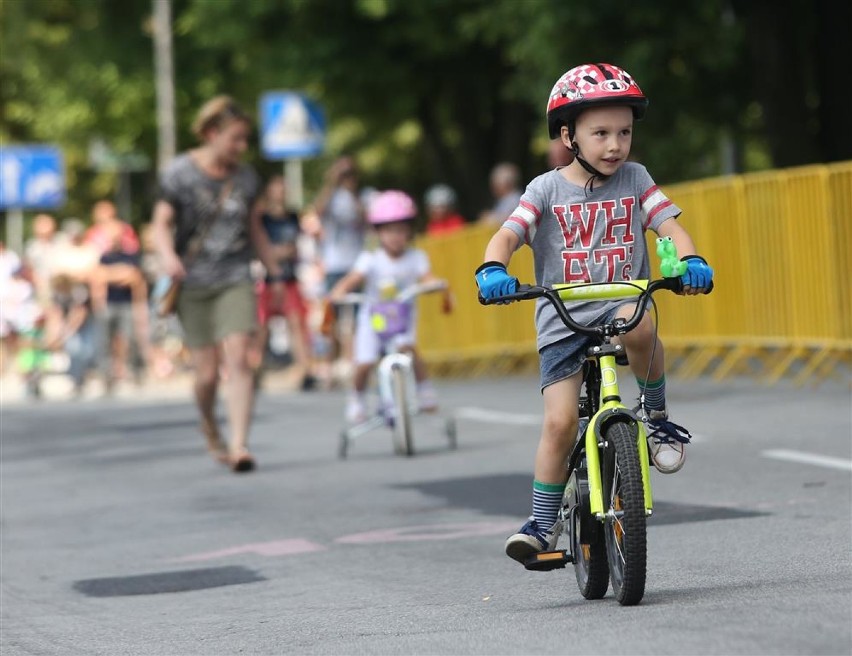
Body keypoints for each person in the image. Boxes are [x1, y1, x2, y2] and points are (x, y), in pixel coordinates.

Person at [474, 63, 714, 564]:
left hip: (622, 299)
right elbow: (509, 234)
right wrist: (493, 267)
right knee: (560, 423)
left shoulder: (636, 178)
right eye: (600, 133)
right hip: (562, 319)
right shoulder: (544, 189)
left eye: (624, 132)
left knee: (642, 319)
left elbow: (668, 225)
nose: (615, 145)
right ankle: (542, 523)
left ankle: (658, 416)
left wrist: (689, 259)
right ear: (568, 135)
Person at [150, 95, 282, 473]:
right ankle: (209, 421)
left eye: (245, 140)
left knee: (240, 358)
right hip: (192, 281)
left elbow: (254, 227)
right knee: (206, 374)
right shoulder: (180, 172)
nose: (242, 147)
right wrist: (167, 256)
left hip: (236, 276)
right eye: (235, 139)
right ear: (211, 133)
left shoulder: (245, 178)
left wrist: (272, 272)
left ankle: (240, 444)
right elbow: (160, 222)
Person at [328, 190, 448, 424]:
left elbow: (427, 277)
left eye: (401, 230)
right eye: (389, 230)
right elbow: (353, 278)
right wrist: (339, 291)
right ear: (378, 232)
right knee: (364, 362)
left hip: (402, 317)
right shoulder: (370, 259)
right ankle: (357, 398)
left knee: (408, 349)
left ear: (409, 231)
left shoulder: (416, 257)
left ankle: (424, 390)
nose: (395, 236)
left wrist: (435, 284)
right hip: (374, 318)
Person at [253, 175, 317, 391]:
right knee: (261, 328)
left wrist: (288, 252)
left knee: (296, 324)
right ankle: (255, 370)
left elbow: (300, 246)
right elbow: (260, 248)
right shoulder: (262, 219)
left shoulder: (292, 217)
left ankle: (305, 370)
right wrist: (275, 254)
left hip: (289, 279)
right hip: (267, 280)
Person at [312, 156, 366, 384]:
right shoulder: (331, 197)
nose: (346, 178)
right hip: (333, 264)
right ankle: (328, 365)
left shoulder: (361, 196)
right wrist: (331, 183)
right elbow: (317, 211)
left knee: (357, 318)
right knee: (330, 316)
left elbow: (366, 217)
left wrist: (352, 191)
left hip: (355, 265)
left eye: (349, 173)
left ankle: (354, 364)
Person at [478, 162, 523, 226]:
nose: (493, 186)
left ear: (508, 183)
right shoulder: (503, 199)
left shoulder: (516, 199)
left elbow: (511, 219)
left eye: (497, 183)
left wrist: (490, 217)